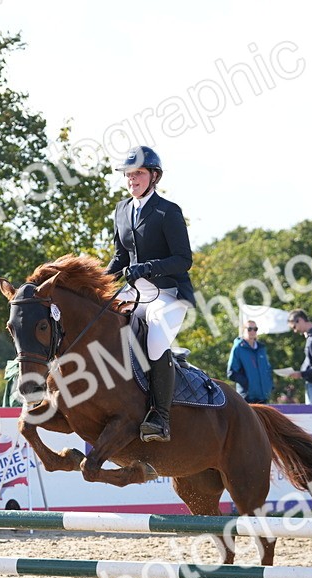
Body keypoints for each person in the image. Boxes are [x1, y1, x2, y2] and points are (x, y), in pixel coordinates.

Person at [104, 145, 194, 443]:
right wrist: (97, 282)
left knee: (155, 341)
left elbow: (184, 259)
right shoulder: (121, 210)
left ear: (154, 176)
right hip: (134, 294)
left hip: (168, 294)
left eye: (139, 173)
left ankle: (161, 417)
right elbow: (119, 258)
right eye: (129, 175)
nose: (132, 179)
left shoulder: (168, 211)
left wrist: (148, 268)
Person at [226, 319, 273, 404]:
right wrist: (248, 384)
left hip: (263, 397)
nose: (252, 331)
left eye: (255, 329)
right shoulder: (238, 348)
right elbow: (231, 372)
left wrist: (269, 385)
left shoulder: (261, 348)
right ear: (243, 330)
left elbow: (268, 369)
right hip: (246, 397)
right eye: (249, 329)